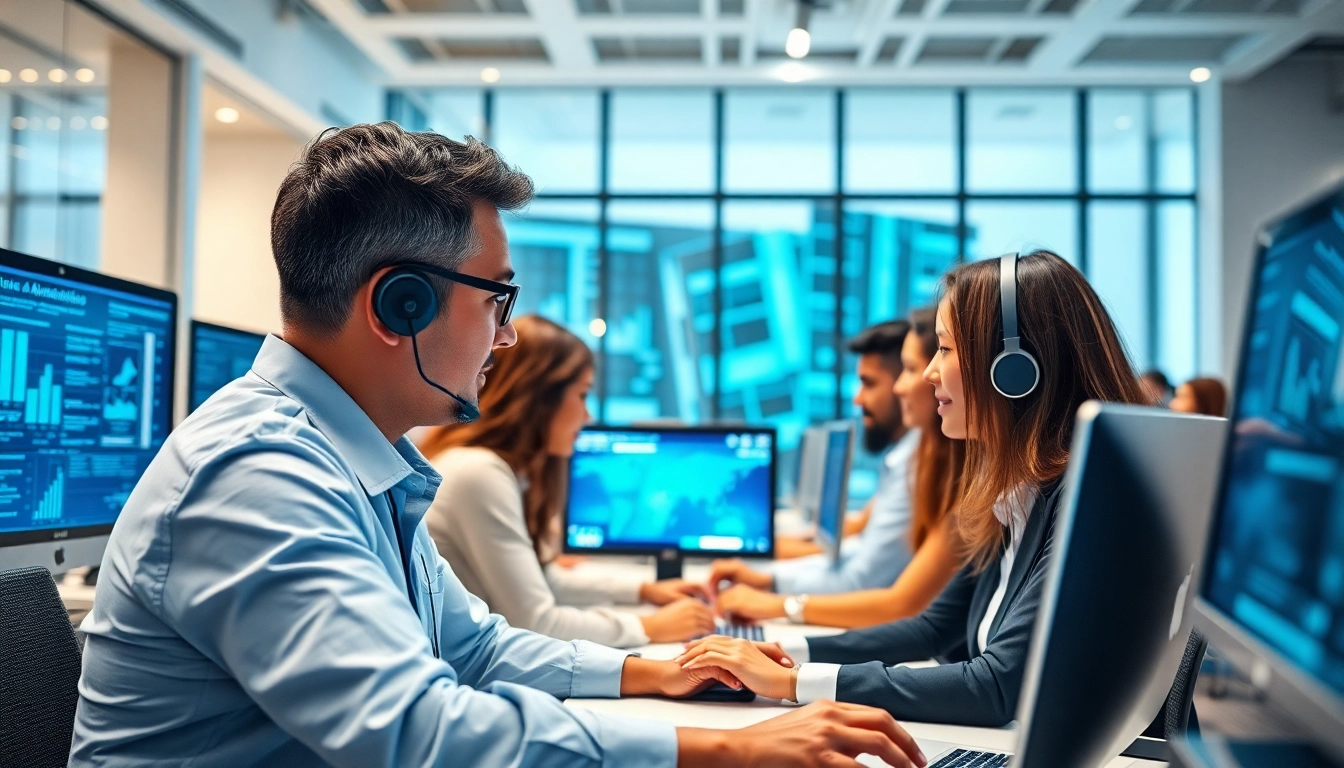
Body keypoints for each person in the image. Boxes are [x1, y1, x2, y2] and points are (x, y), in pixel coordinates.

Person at [68, 123, 927, 768]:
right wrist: (721, 747)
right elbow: (416, 730)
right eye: (496, 301)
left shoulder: (351, 459)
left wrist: (649, 672)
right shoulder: (258, 473)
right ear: (398, 305)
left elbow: (475, 646)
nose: (507, 338)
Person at [677, 250, 1148, 728]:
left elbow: (997, 686)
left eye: (944, 350)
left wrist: (796, 682)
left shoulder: (1085, 501)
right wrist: (781, 654)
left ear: (1013, 368)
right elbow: (933, 628)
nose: (926, 375)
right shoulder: (1015, 494)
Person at [420, 314, 714, 647]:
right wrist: (647, 627)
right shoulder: (479, 472)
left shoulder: (495, 468)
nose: (587, 416)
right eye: (582, 395)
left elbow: (542, 581)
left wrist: (642, 591)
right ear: (540, 398)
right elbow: (537, 621)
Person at [710, 308, 965, 628]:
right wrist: (766, 574)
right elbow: (857, 538)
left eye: (910, 370)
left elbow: (898, 601)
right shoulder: (921, 461)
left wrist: (777, 596)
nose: (901, 387)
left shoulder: (951, 477)